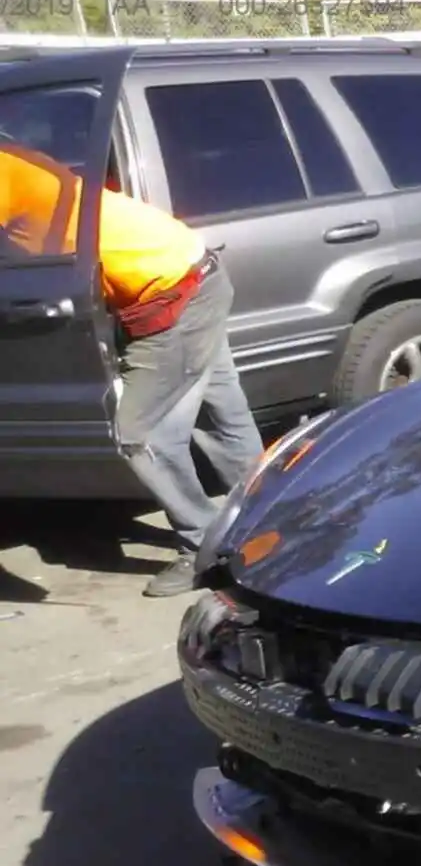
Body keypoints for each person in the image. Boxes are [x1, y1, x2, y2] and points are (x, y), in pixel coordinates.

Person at [1, 137, 263, 596]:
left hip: (170, 298)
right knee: (220, 415)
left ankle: (202, 545)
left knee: (143, 434)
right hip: (194, 271)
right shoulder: (18, 158)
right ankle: (277, 515)